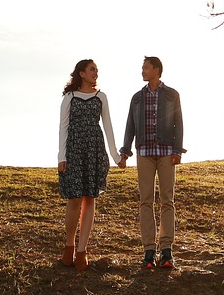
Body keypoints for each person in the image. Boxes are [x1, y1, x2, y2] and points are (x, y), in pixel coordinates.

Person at [118, 55, 185, 270]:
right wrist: (126, 150)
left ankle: (166, 251)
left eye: (145, 68)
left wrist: (177, 150)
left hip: (166, 151)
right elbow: (130, 124)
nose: (142, 71)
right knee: (145, 201)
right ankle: (148, 251)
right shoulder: (137, 97)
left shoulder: (172, 95)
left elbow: (178, 123)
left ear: (156, 69)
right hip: (144, 152)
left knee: (168, 200)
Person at [57, 59, 121, 272]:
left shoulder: (101, 97)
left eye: (97, 70)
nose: (96, 73)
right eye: (92, 69)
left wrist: (116, 155)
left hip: (94, 148)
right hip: (74, 149)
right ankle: (69, 247)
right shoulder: (70, 97)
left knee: (89, 198)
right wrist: (61, 157)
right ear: (81, 73)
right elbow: (63, 128)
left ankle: (82, 250)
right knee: (74, 198)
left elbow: (108, 127)